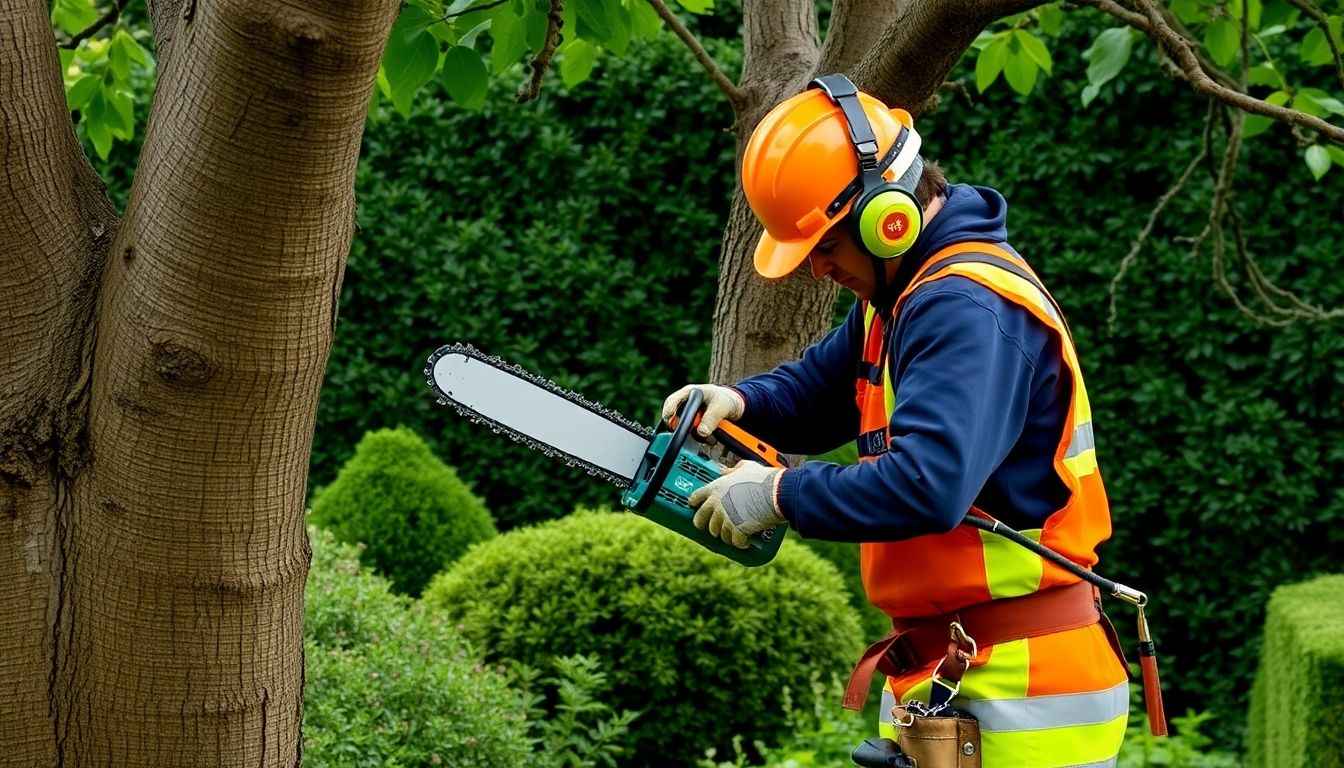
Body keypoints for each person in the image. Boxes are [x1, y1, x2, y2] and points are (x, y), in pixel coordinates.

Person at [663, 75, 1131, 767]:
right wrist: (740, 402)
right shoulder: (903, 297)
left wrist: (780, 494)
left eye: (825, 244)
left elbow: (928, 484)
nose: (819, 270)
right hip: (961, 669)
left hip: (1020, 690)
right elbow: (819, 391)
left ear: (888, 215)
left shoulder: (962, 307)